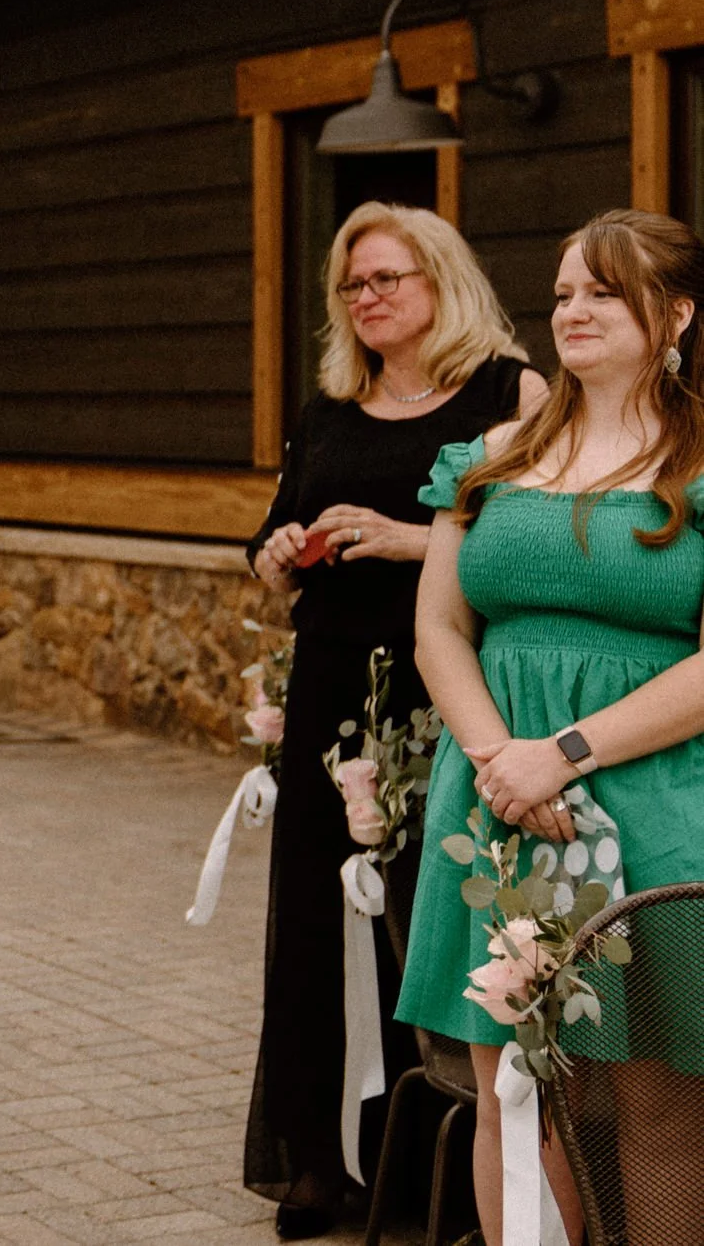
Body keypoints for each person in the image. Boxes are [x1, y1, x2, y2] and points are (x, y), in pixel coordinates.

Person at [403, 208, 704, 1244]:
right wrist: (503, 762)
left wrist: (563, 754)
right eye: (565, 290)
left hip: (656, 801)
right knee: (520, 1097)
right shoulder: (487, 456)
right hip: (501, 809)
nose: (573, 309)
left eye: (603, 291)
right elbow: (439, 626)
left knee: (656, 1110)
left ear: (676, 315)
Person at [243, 201, 542, 1237]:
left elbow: (532, 540)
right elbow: (272, 527)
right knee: (319, 918)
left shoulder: (509, 393)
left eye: (386, 278)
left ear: (439, 279)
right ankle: (322, 1162)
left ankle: (436, 1170)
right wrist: (276, 551)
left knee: (435, 913)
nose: (365, 297)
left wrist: (410, 538)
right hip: (334, 687)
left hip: (447, 686)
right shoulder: (328, 407)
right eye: (351, 284)